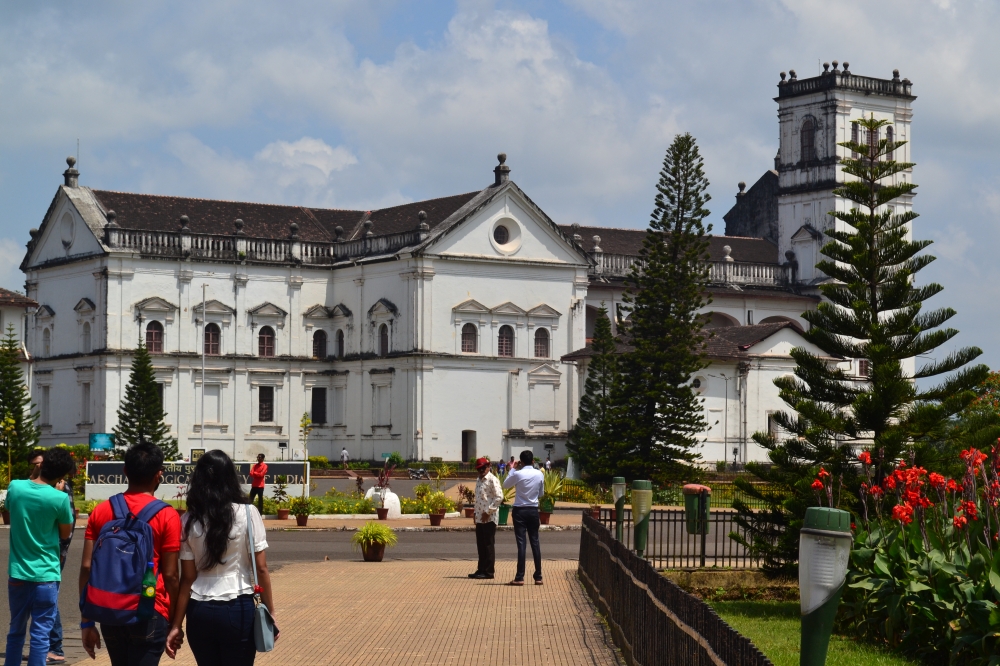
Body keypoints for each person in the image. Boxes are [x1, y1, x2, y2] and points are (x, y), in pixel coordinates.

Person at [166, 450, 276, 666]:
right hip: (238, 607)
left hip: (199, 611)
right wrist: (270, 611)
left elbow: (187, 579)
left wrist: (176, 625)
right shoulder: (247, 512)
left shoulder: (189, 519)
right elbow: (261, 569)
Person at [80, 442, 182, 665]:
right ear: (159, 474)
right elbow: (172, 575)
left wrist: (86, 622)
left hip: (110, 609)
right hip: (150, 608)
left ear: (125, 471)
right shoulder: (168, 515)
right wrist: (175, 621)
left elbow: (87, 567)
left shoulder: (101, 510)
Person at [5, 447, 75, 666]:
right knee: (41, 636)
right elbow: (65, 533)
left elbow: (9, 514)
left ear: (41, 465)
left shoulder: (15, 487)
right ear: (61, 476)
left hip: (18, 573)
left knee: (16, 630)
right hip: (46, 575)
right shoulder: (60, 498)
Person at [28, 449, 78, 665]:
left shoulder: (60, 490)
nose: (37, 468)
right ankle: (49, 647)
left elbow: (67, 529)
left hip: (54, 554)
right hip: (41, 554)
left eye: (40, 464)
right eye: (34, 464)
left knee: (48, 600)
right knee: (42, 599)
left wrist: (60, 553)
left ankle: (55, 647)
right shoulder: (41, 486)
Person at [502, 450, 545, 586]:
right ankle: (538, 576)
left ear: (521, 462)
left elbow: (505, 485)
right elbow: (541, 493)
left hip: (520, 510)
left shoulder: (518, 474)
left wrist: (512, 470)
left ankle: (520, 577)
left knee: (522, 545)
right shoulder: (539, 474)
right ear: (533, 461)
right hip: (533, 510)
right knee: (535, 543)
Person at [468, 457, 502, 580]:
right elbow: (479, 498)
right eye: (479, 469)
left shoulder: (493, 480)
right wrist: (475, 513)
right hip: (480, 517)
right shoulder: (479, 480)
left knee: (488, 544)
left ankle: (488, 572)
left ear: (488, 467)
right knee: (481, 545)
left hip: (489, 517)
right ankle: (481, 569)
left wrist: (488, 512)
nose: (481, 471)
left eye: (483, 468)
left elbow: (499, 497)